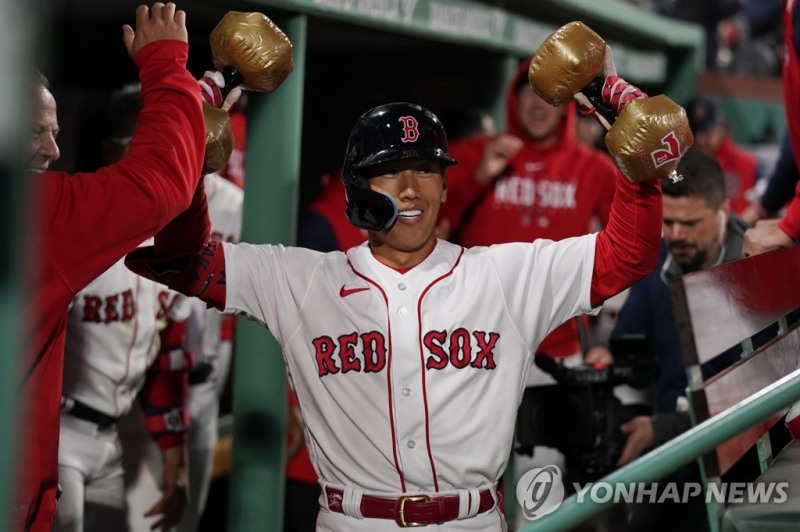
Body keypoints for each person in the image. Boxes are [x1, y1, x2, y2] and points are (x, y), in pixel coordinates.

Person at [125, 90, 666, 529]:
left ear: (445, 184)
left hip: (470, 522)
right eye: (391, 170)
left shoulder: (503, 275)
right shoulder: (303, 279)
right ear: (358, 185)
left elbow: (627, 255)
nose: (411, 188)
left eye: (426, 169)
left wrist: (629, 140)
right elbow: (184, 259)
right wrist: (186, 150)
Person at [17, 4, 205, 531]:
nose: (53, 150)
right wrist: (168, 66)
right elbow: (159, 184)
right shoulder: (33, 215)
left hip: (117, 429)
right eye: (34, 131)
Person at [584, 150, 748, 531]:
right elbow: (627, 341)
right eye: (668, 222)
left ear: (723, 210)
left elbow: (754, 401)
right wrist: (604, 355)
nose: (676, 235)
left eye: (689, 223)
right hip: (672, 465)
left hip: (743, 472)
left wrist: (664, 428)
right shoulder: (658, 260)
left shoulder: (753, 273)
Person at [55, 83, 193, 532]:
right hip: (57, 434)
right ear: (107, 150)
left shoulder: (172, 240)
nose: (153, 159)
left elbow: (168, 358)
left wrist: (174, 447)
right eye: (138, 146)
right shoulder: (74, 230)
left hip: (114, 437)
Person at [685, 94, 765, 216]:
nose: (700, 139)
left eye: (707, 132)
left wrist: (756, 210)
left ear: (722, 127)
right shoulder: (677, 165)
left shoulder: (750, 164)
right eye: (694, 132)